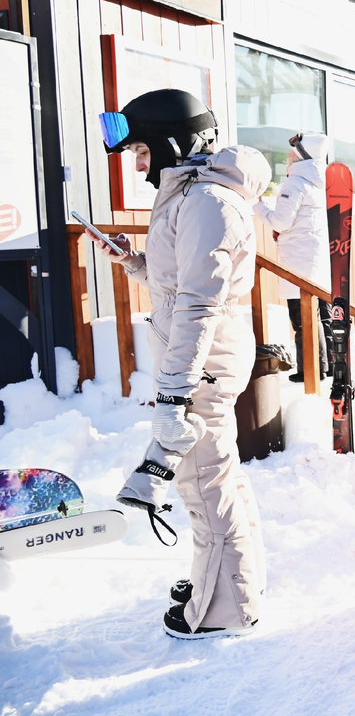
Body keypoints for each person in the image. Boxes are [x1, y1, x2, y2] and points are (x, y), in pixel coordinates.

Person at [92, 88, 269, 638]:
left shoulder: (206, 203)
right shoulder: (193, 195)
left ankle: (221, 613)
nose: (141, 166)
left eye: (143, 153)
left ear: (174, 141)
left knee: (202, 489)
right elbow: (179, 285)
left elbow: (199, 303)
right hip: (203, 357)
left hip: (201, 362)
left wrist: (173, 394)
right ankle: (235, 584)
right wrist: (134, 263)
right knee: (219, 479)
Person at [252, 132, 333, 382]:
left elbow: (281, 221)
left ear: (301, 156)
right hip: (316, 259)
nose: (288, 157)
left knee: (302, 319)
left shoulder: (296, 183)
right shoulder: (320, 183)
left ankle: (311, 369)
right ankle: (329, 365)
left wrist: (257, 205)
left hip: (297, 263)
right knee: (322, 314)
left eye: (292, 152)